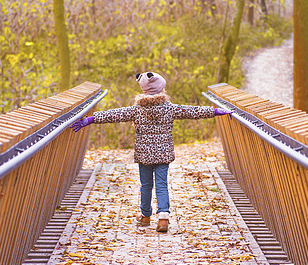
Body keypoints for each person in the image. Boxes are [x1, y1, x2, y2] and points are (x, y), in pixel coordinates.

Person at [70, 72, 231, 232]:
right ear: (161, 90)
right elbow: (192, 111)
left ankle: (145, 215)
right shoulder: (170, 108)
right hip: (163, 154)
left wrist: (90, 119)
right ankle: (162, 219)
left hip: (144, 155)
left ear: (144, 91)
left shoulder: (137, 109)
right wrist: (216, 111)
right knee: (161, 185)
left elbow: (114, 114)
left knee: (146, 185)